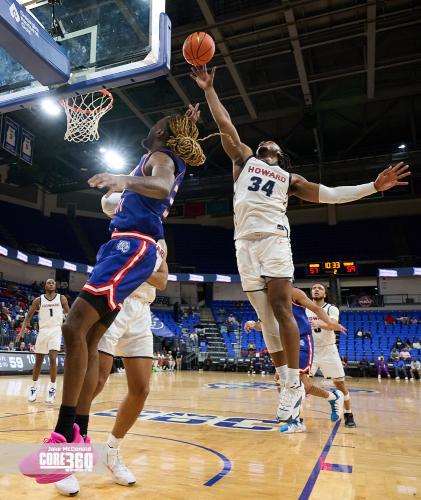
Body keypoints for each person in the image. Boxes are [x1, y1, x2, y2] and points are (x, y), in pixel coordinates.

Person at [191, 64, 410, 423]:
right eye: (264, 144)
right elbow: (225, 125)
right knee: (265, 318)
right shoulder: (243, 161)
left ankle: (294, 384)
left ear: (279, 155)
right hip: (243, 243)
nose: (267, 145)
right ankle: (286, 382)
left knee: (280, 306)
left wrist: (373, 187)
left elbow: (333, 195)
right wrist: (209, 90)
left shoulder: (290, 178)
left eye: (272, 145)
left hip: (275, 237)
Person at [20, 104, 209, 485]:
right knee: (87, 341)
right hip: (122, 248)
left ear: (162, 134)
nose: (151, 121)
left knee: (74, 329)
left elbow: (159, 185)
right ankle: (73, 442)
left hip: (131, 247)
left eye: (156, 120)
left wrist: (120, 178)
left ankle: (63, 434)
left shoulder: (160, 157)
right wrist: (190, 120)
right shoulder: (158, 156)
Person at [245, 287, 346, 433]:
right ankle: (332, 397)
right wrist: (254, 324)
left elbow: (316, 309)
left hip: (302, 340)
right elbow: (266, 324)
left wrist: (330, 323)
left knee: (296, 382)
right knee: (287, 381)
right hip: (284, 342)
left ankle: (295, 420)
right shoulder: (267, 299)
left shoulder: (293, 292)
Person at [306, 283, 356, 428]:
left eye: (319, 288)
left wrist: (318, 323)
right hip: (312, 350)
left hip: (329, 349)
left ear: (325, 294)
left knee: (340, 383)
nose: (316, 290)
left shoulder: (330, 308)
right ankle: (331, 399)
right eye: (313, 288)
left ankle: (348, 413)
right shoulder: (305, 309)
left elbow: (334, 324)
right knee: (301, 383)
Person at [20, 279, 69, 404]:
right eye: (49, 282)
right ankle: (33, 387)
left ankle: (52, 389)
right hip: (43, 331)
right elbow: (29, 315)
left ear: (55, 286)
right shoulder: (39, 300)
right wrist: (22, 330)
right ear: (45, 286)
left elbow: (69, 315)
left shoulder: (61, 298)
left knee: (53, 358)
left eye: (53, 282)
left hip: (56, 330)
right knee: (38, 361)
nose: (51, 284)